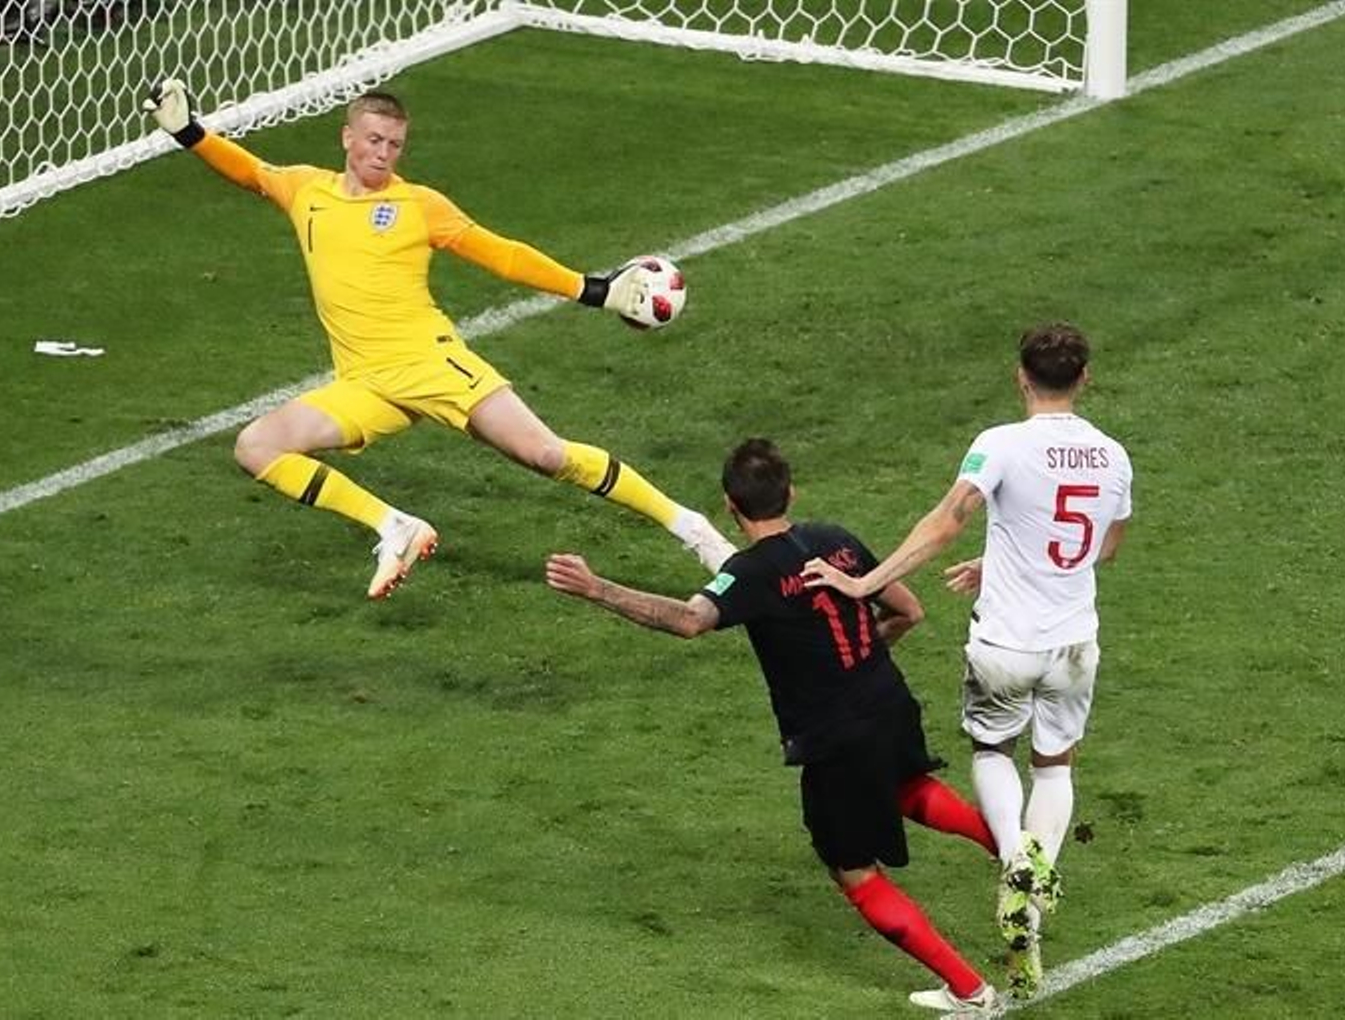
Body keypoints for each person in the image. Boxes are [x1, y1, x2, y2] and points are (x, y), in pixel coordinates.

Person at [142, 80, 735, 599]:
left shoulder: (418, 205)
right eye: (374, 140)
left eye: (395, 144)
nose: (383, 153)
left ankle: (694, 530)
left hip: (431, 365)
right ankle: (393, 526)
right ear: (347, 138)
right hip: (365, 384)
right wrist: (189, 133)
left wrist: (592, 290)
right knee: (257, 446)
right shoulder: (306, 190)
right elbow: (251, 172)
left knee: (546, 456)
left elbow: (501, 254)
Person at [546, 438, 1003, 1014]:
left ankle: (970, 992)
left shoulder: (749, 573)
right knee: (906, 786)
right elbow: (907, 610)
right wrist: (855, 659)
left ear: (730, 506)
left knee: (855, 872)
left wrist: (597, 588)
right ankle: (1015, 853)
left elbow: (689, 620)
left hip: (836, 737)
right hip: (889, 700)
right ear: (791, 492)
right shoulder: (835, 540)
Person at [802, 322, 1133, 999]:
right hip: (1075, 643)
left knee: (991, 751)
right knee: (1055, 765)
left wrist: (866, 583)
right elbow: (1103, 547)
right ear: (1085, 378)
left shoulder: (1001, 443)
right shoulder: (1113, 455)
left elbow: (947, 520)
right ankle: (1028, 913)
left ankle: (1015, 858)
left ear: (1021, 376)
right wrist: (1006, 558)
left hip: (1006, 643)